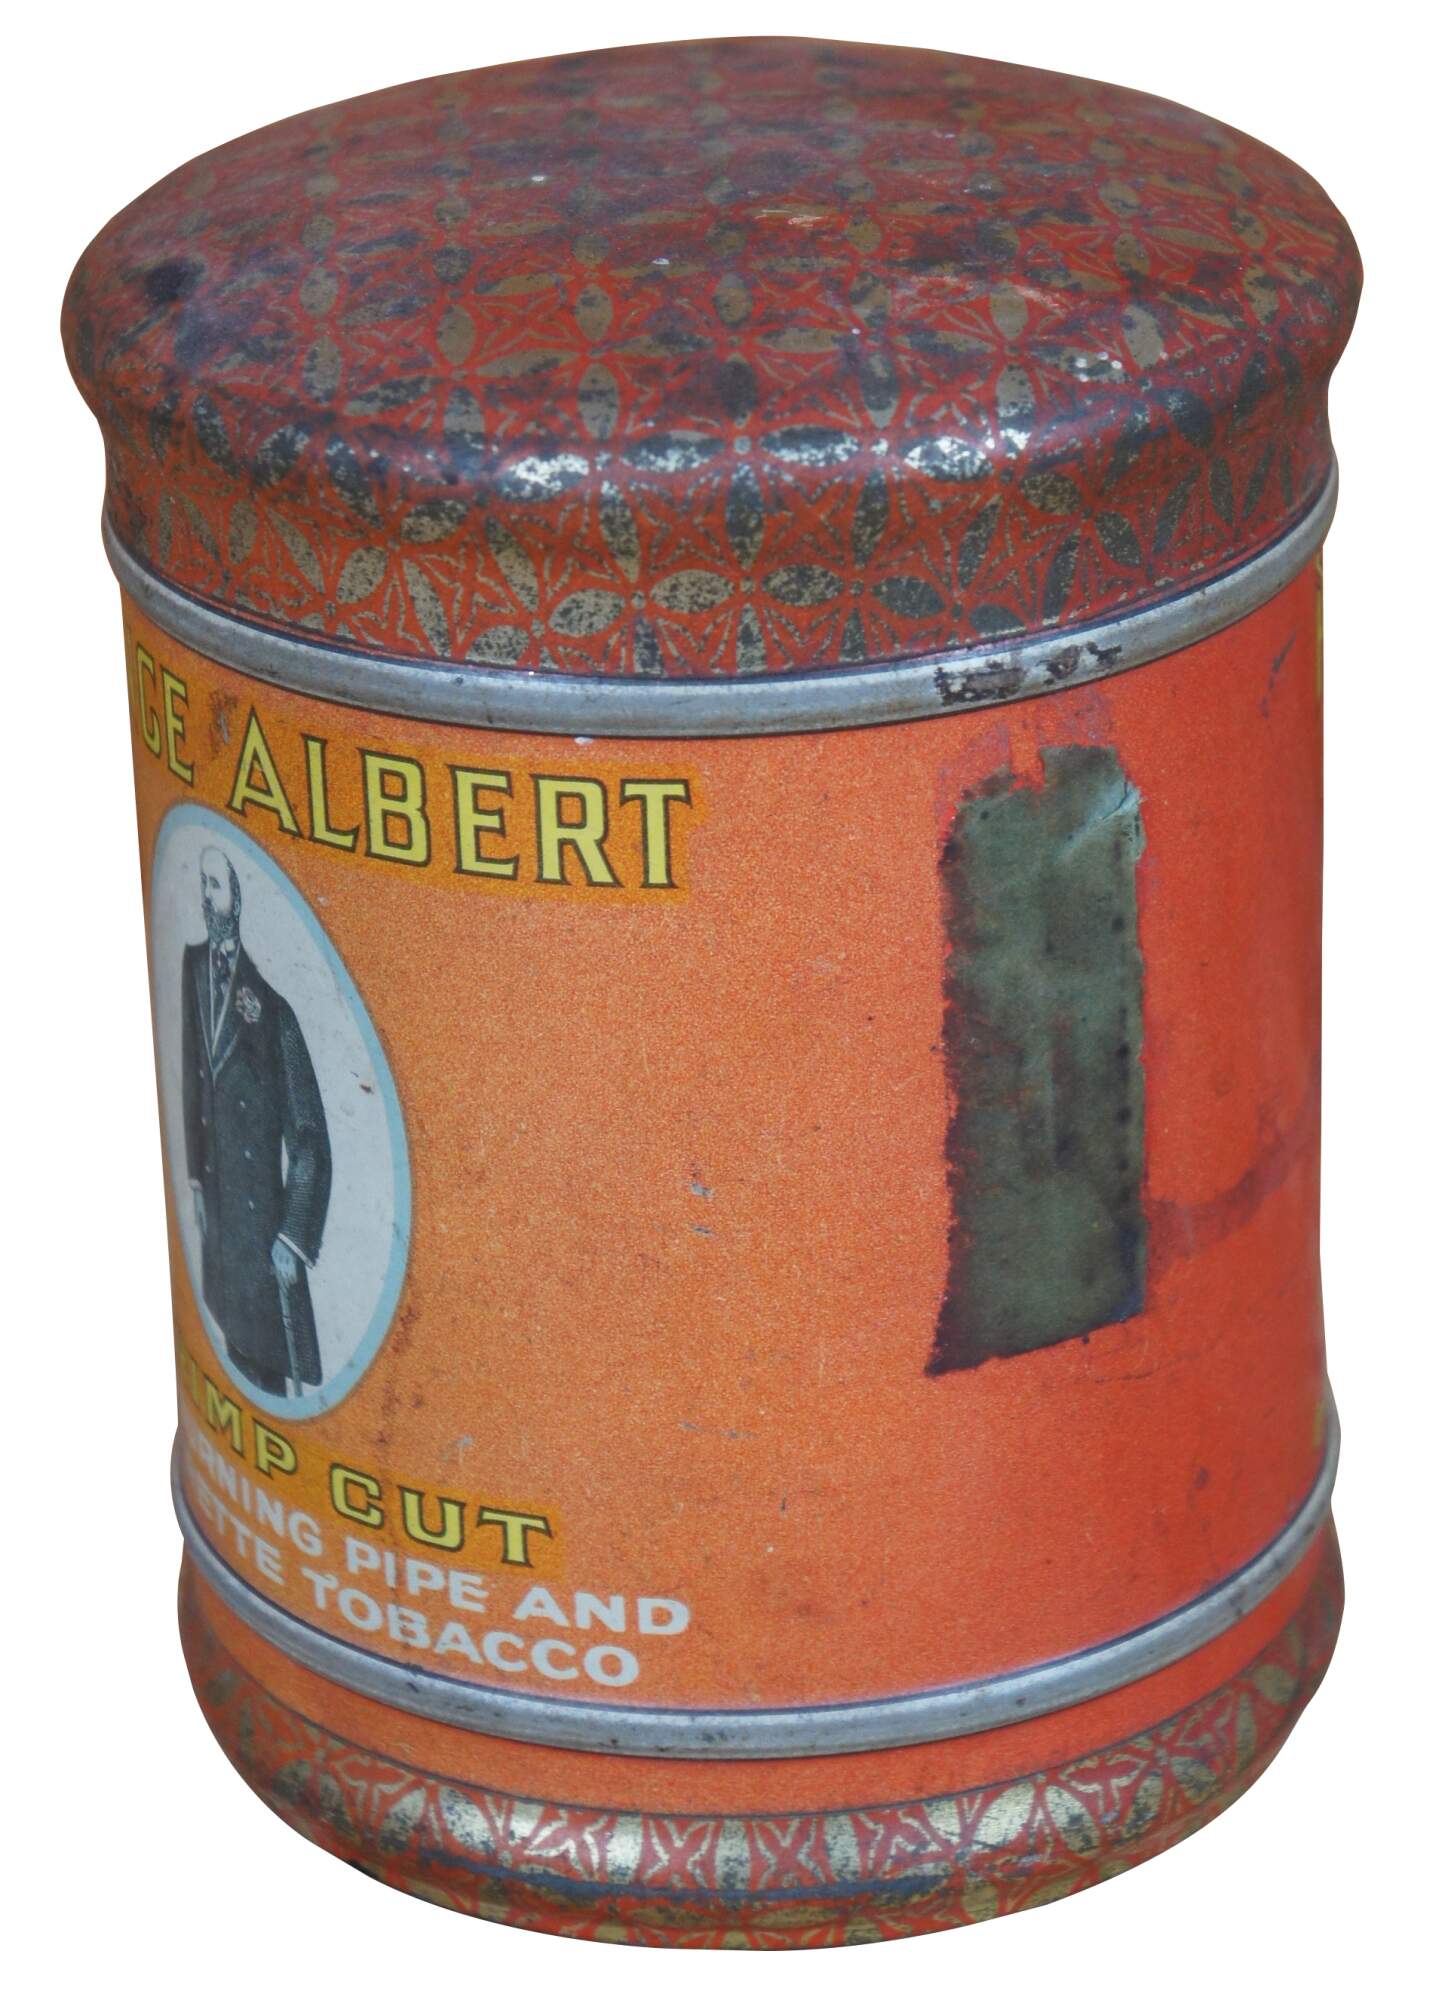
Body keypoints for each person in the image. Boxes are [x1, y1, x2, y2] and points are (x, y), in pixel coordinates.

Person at [180, 845, 331, 1394]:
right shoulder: (193, 968)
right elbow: (192, 1077)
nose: (206, 898)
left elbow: (310, 1137)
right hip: (219, 1225)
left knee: (264, 1372)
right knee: (227, 1349)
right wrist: (196, 1178)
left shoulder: (274, 1012)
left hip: (261, 1233)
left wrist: (291, 1239)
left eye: (216, 887)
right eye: (202, 884)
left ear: (237, 900)